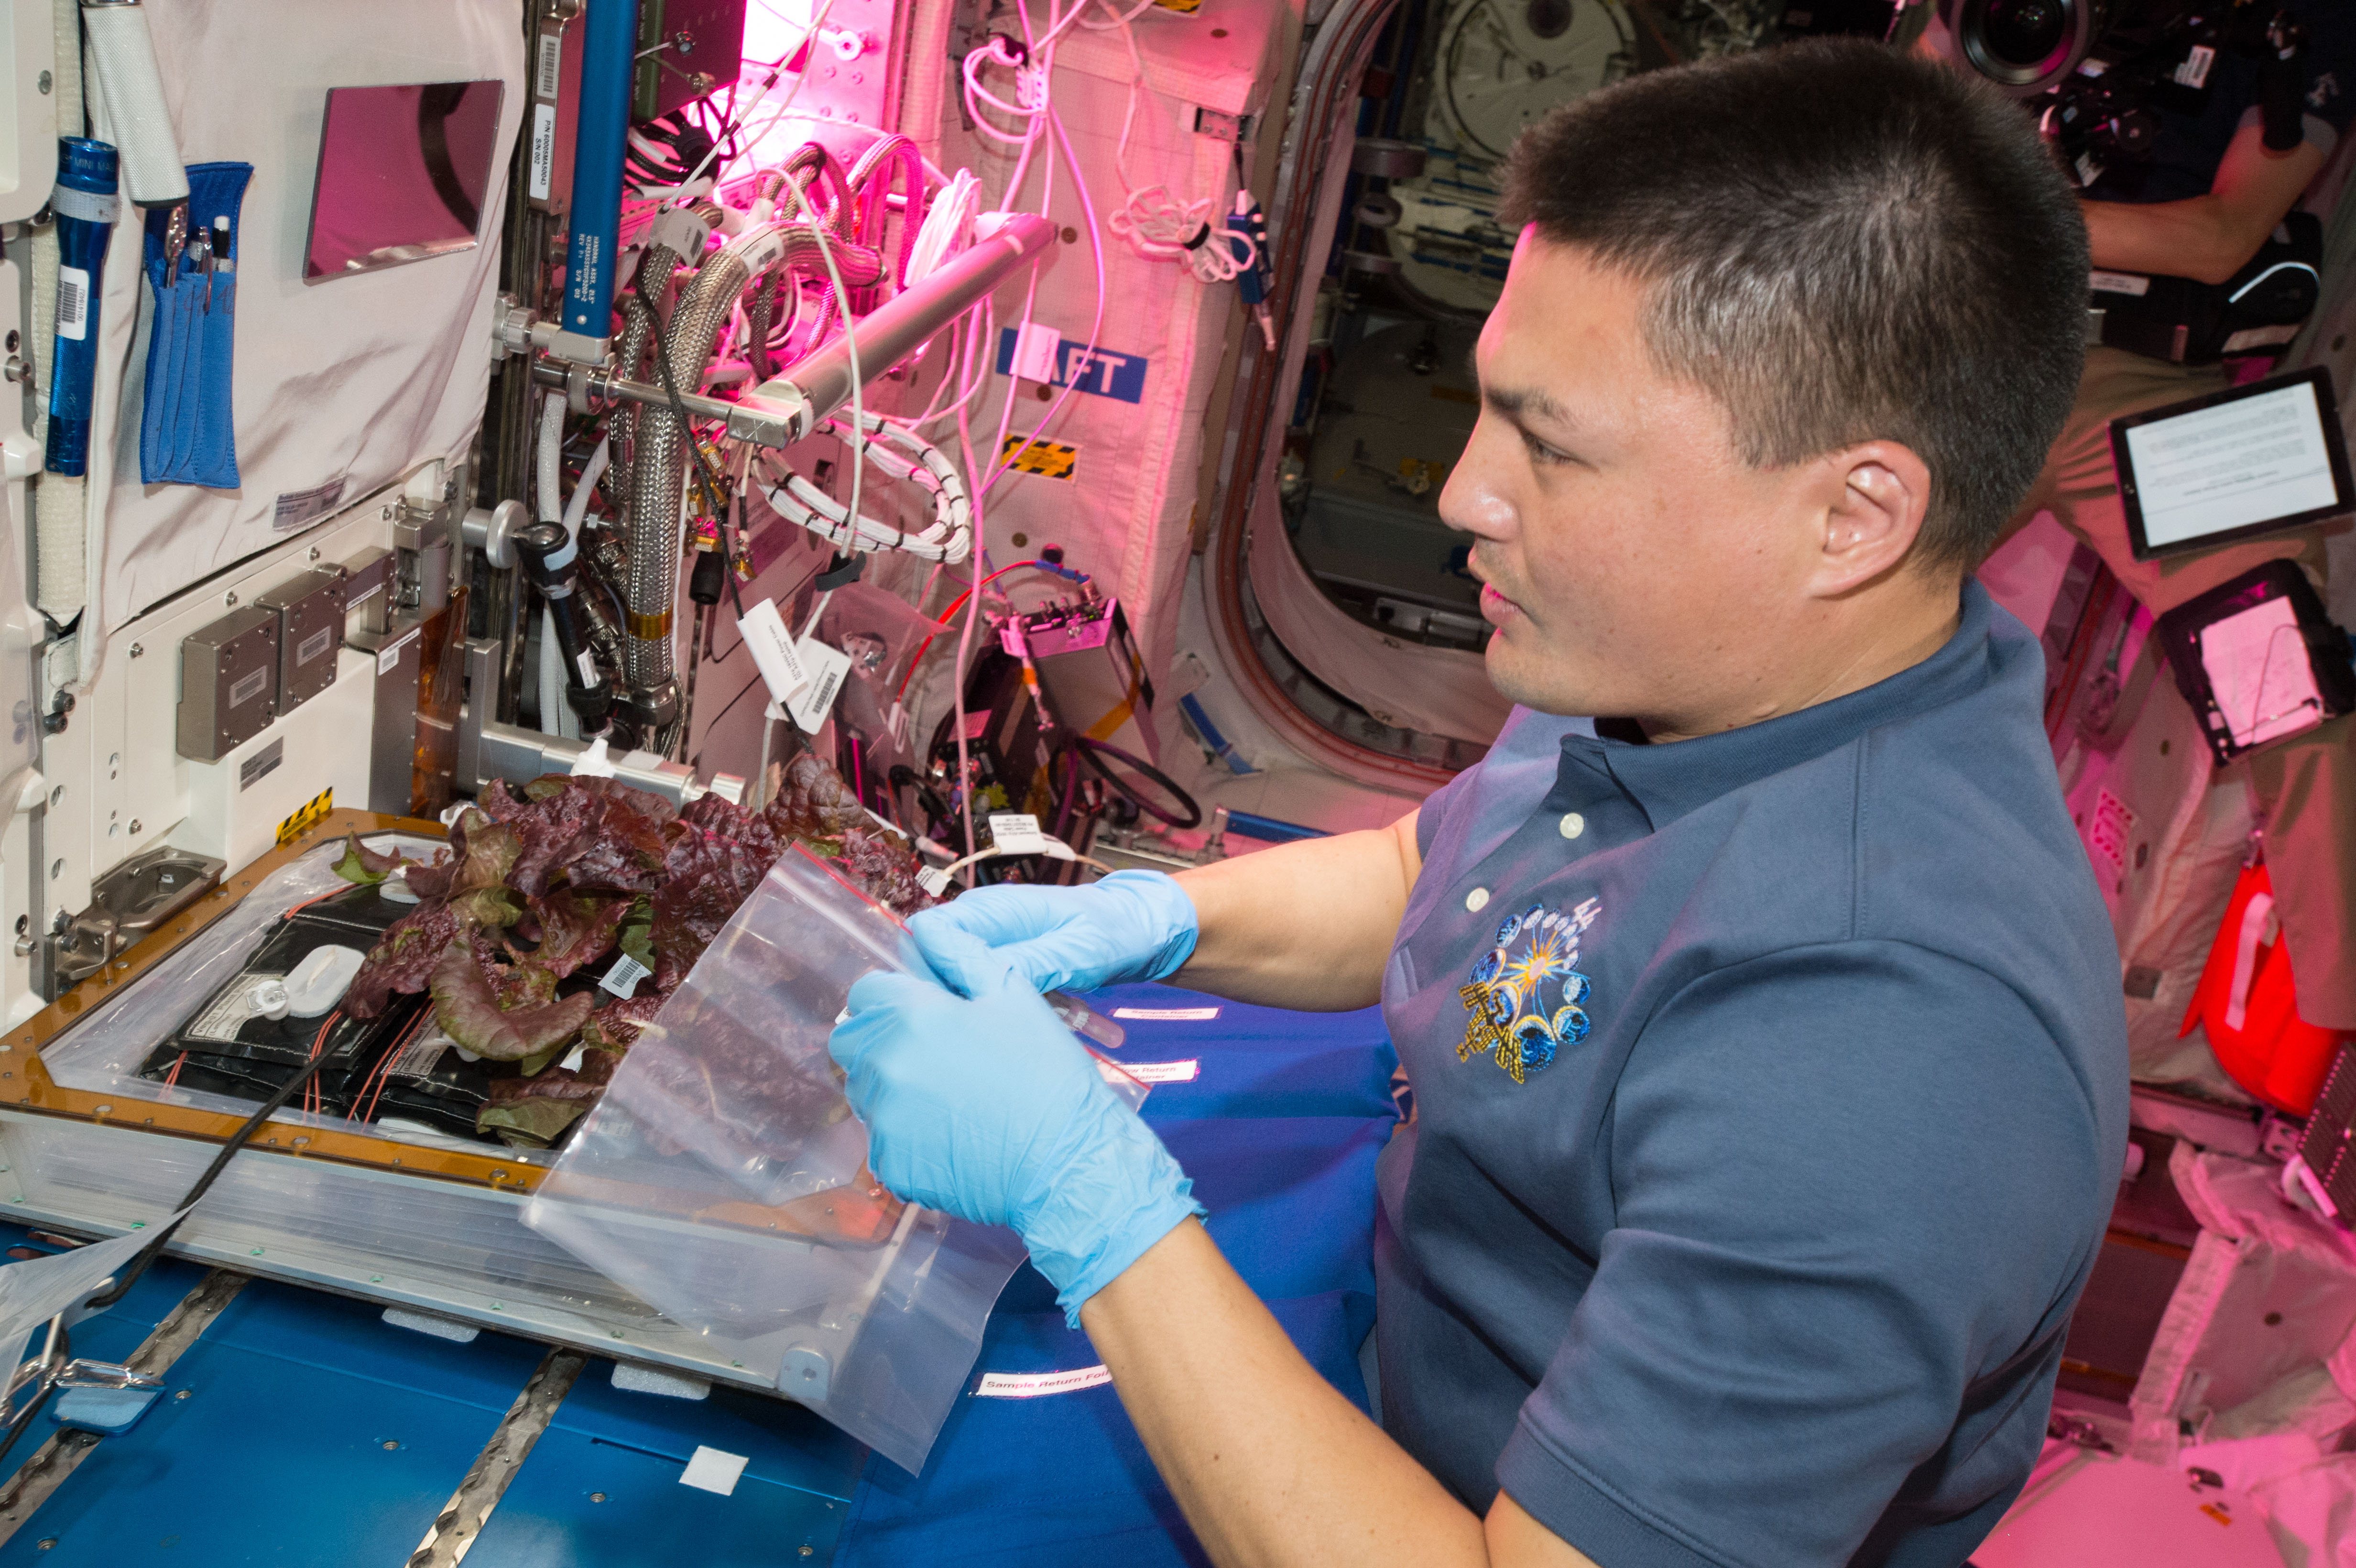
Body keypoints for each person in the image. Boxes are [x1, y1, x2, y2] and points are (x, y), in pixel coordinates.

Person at [829, 39, 2128, 1568]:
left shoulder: (1888, 1054)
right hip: (1402, 1359)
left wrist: (1088, 1197)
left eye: (1551, 448)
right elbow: (1441, 871)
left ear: (1852, 517)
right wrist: (1147, 919)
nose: (1461, 496)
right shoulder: (1695, 653)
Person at [1971, 0, 2356, 1030]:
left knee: (2285, 684)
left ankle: (2343, 1032)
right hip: (1975, 359)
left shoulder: (2298, 25)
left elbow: (2224, 239)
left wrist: (1983, 211)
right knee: (1781, 609)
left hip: (2142, 390)